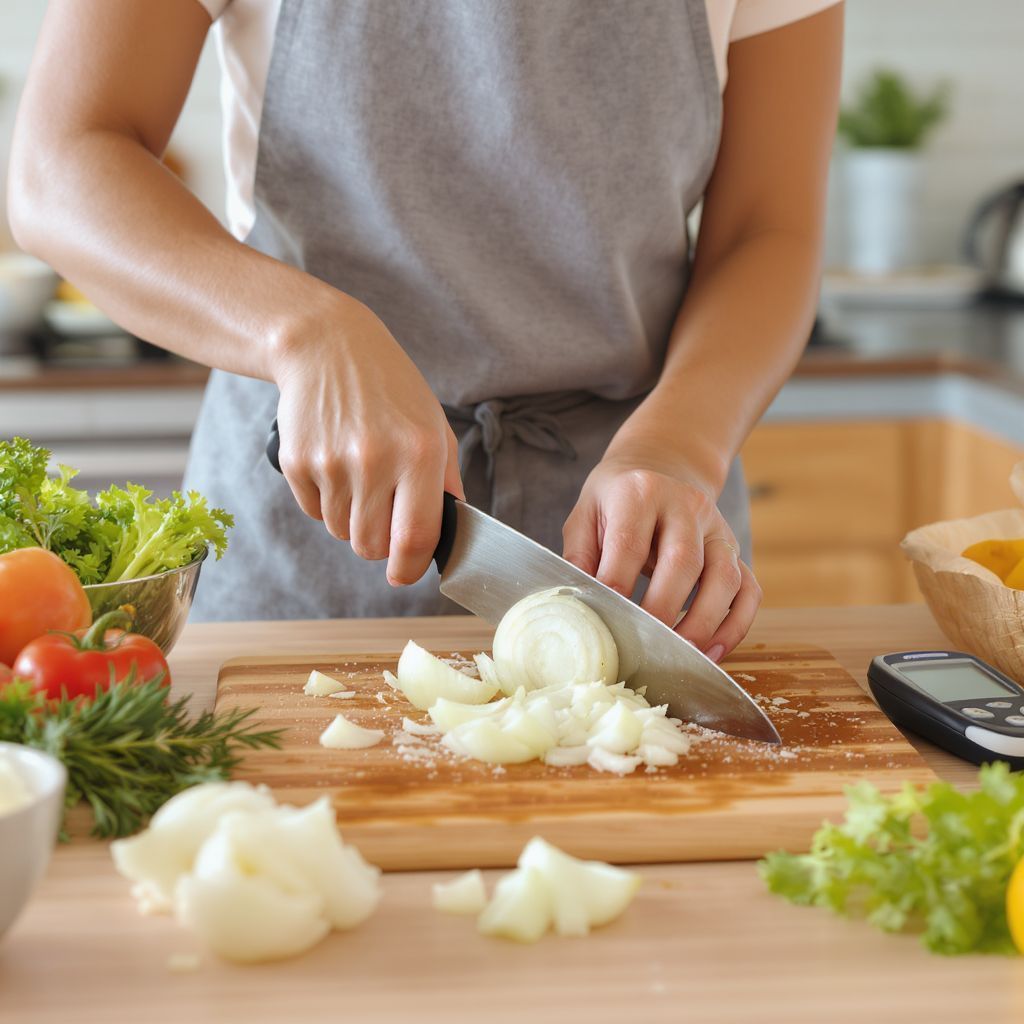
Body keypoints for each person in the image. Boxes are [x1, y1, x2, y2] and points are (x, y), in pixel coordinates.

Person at [9, 0, 843, 662]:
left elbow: (765, 231)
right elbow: (63, 162)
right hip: (306, 523)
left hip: (630, 535)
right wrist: (307, 333)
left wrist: (679, 447)